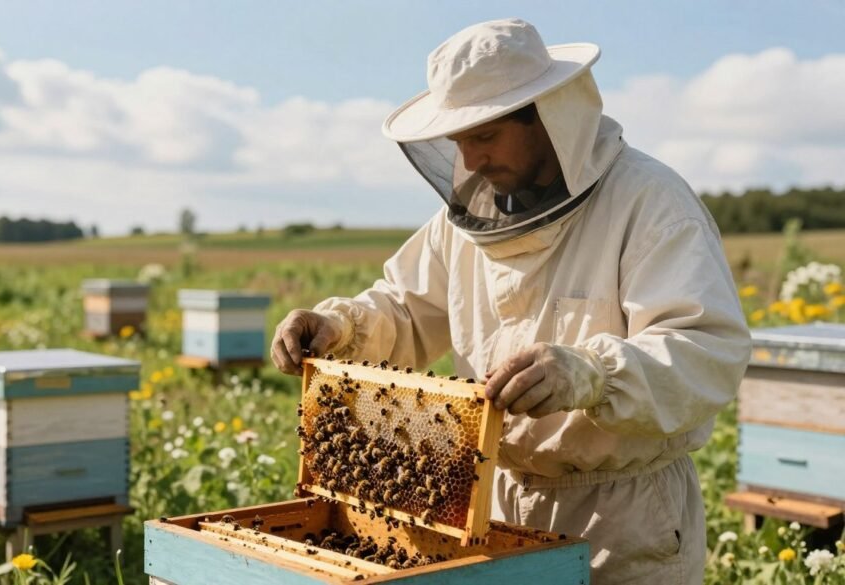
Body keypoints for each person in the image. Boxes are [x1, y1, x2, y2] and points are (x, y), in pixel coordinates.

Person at [271, 18, 750, 584]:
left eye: (485, 136)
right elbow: (405, 308)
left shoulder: (650, 204)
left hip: (622, 516)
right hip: (490, 501)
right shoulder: (468, 220)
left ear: (549, 117)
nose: (469, 161)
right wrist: (339, 326)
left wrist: (594, 373)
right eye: (458, 142)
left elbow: (704, 349)